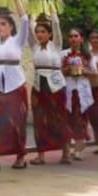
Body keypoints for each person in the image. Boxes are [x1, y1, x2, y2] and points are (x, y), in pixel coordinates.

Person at [0, 0, 30, 170]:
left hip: (15, 84)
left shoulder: (17, 41)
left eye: (3, 24)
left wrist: (16, 1)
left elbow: (25, 21)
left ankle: (20, 156)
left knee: (17, 121)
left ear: (11, 27)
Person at [28, 13, 72, 165]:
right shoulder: (34, 47)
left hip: (55, 86)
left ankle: (66, 151)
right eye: (37, 32)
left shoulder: (56, 45)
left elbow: (56, 25)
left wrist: (51, 9)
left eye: (43, 32)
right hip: (38, 85)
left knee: (59, 118)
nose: (39, 35)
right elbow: (27, 27)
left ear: (50, 34)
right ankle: (41, 155)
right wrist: (27, 12)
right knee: (39, 120)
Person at [63, 26, 94, 159]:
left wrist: (83, 71)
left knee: (80, 120)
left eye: (76, 36)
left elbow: (95, 74)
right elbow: (60, 72)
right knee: (68, 120)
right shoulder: (63, 54)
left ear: (81, 39)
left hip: (82, 91)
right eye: (71, 36)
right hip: (68, 90)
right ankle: (68, 149)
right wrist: (69, 70)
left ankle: (78, 150)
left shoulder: (88, 56)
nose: (73, 39)